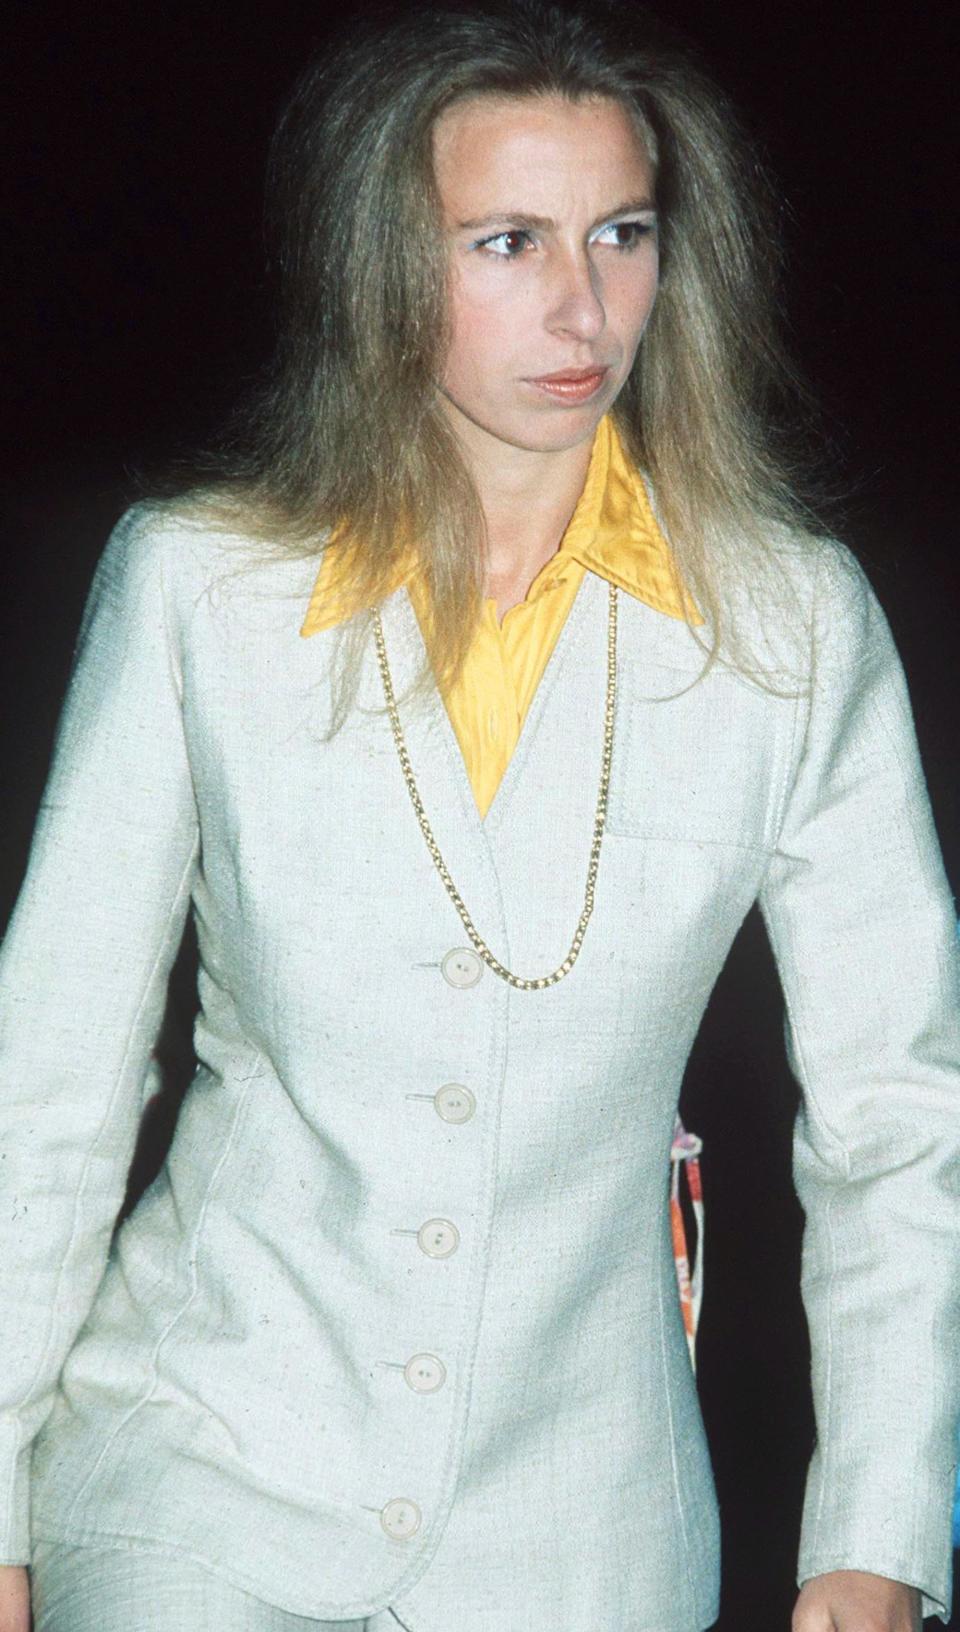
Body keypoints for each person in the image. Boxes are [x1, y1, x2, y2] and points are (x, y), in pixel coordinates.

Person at [1, 2, 958, 1628]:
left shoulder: (793, 630)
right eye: (506, 241)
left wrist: (873, 1537)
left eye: (623, 233)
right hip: (201, 1476)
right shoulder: (197, 589)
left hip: (580, 1535)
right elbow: (49, 1090)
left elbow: (903, 1120)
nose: (583, 304)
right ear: (382, 264)